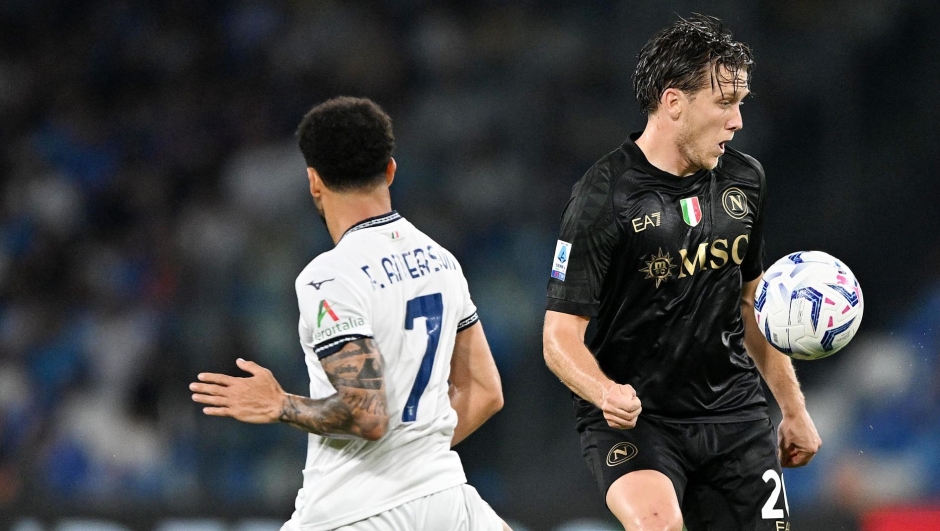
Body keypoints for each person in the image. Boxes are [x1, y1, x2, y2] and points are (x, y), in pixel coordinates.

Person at [542, 15, 821, 531]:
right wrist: (604, 391)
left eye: (741, 103)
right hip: (637, 418)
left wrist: (792, 407)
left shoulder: (745, 179)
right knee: (658, 525)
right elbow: (558, 336)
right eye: (725, 103)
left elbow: (751, 301)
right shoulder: (604, 196)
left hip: (734, 415)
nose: (738, 121)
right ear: (674, 103)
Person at [190, 97, 511, 531]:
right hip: (447, 504)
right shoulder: (442, 261)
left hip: (353, 514)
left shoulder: (329, 277)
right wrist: (414, 461)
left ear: (314, 182)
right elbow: (486, 391)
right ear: (391, 170)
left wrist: (281, 404)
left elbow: (367, 413)